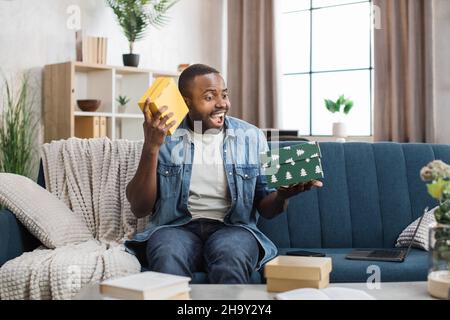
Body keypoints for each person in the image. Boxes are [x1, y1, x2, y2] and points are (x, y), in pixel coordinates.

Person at [125, 64, 323, 284]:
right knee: (167, 258)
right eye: (209, 97)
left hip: (234, 228)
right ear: (186, 102)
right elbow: (139, 208)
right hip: (175, 228)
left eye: (224, 95)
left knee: (232, 259)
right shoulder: (163, 137)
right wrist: (151, 148)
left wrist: (283, 196)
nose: (222, 104)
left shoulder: (252, 136)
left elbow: (267, 208)